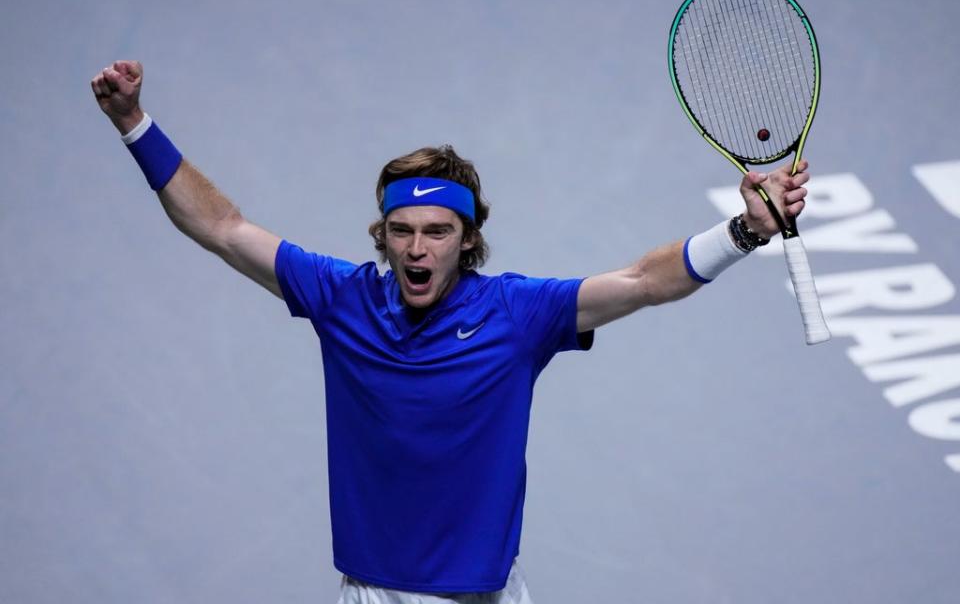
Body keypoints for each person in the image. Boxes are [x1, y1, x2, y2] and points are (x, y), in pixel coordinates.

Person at [91, 60, 809, 604]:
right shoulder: (340, 299)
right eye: (401, 230)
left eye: (438, 232)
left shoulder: (517, 316)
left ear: (468, 240)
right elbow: (219, 226)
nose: (416, 248)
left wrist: (743, 230)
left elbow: (645, 282)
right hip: (376, 594)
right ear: (382, 234)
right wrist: (135, 126)